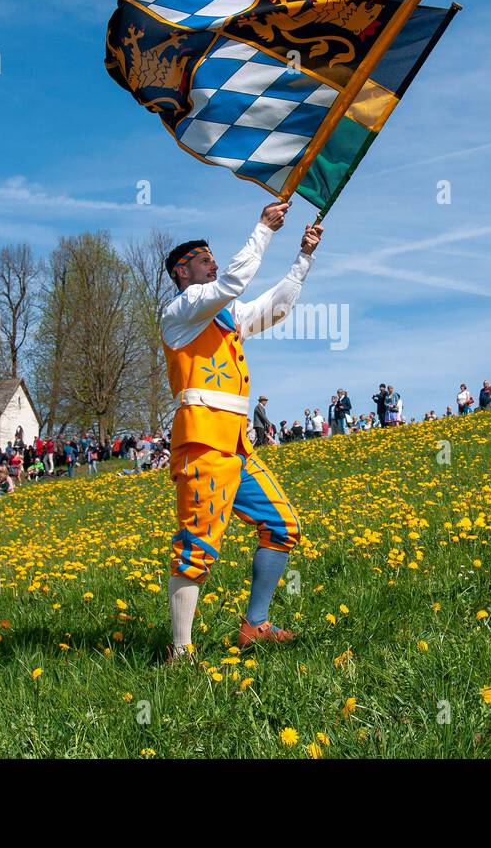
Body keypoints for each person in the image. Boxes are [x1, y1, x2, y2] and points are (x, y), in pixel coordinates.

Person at [160, 200, 322, 661]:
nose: (213, 261)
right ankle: (181, 652)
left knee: (282, 524)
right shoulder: (182, 311)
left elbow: (275, 308)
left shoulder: (225, 319)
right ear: (182, 273)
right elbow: (233, 281)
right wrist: (263, 229)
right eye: (203, 259)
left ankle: (255, 625)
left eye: (213, 255)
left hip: (236, 445)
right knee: (197, 547)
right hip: (203, 444)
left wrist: (303, 258)